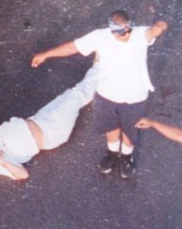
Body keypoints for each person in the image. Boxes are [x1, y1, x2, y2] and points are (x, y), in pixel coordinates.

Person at [31, 10, 168, 179]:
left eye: (128, 29)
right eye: (120, 31)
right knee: (110, 127)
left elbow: (151, 32)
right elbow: (73, 47)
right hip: (106, 95)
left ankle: (126, 157)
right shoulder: (99, 37)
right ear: (111, 30)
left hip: (135, 98)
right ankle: (112, 153)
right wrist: (45, 55)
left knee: (130, 130)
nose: (126, 34)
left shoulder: (139, 34)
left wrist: (159, 27)